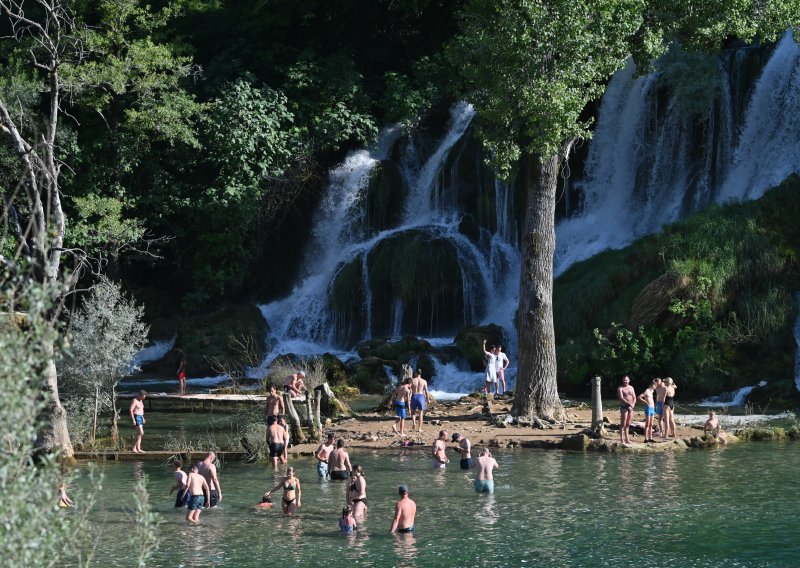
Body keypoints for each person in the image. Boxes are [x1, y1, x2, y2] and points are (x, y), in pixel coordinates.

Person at [617, 376, 636, 445]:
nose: (625, 381)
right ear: (622, 381)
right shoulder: (620, 388)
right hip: (624, 407)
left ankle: (627, 439)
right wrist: (629, 404)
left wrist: (633, 404)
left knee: (628, 424)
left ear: (629, 380)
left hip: (631, 407)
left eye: (626, 380)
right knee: (623, 424)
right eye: (624, 380)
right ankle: (622, 440)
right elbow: (621, 398)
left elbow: (634, 397)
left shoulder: (631, 387)